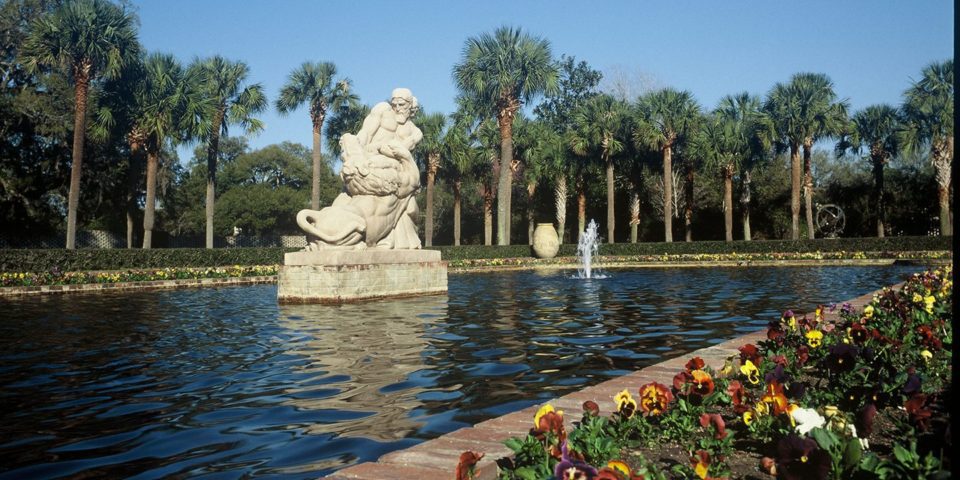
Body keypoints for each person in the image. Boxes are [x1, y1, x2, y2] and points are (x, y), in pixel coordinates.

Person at [296, 88, 423, 249]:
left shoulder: (415, 132)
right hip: (366, 163)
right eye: (395, 103)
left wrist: (381, 150)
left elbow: (400, 150)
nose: (397, 107)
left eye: (402, 104)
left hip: (391, 171)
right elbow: (366, 132)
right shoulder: (382, 110)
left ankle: (386, 237)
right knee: (344, 201)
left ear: (410, 105)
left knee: (410, 205)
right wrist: (357, 149)